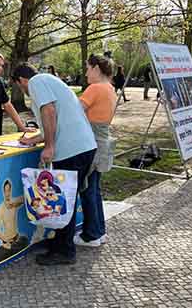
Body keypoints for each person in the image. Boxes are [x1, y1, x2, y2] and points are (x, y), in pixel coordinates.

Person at [12, 63, 96, 266]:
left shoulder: (36, 82)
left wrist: (48, 146)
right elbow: (53, 121)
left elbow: (49, 112)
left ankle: (65, 251)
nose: (23, 90)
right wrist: (35, 140)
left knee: (62, 200)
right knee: (65, 198)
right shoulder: (50, 81)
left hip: (72, 150)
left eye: (18, 86)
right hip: (83, 147)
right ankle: (60, 244)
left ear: (20, 80)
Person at [75, 54, 117, 248]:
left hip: (91, 143)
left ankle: (91, 234)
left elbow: (74, 111)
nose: (85, 73)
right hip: (103, 142)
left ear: (97, 69)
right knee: (95, 189)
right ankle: (99, 231)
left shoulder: (95, 88)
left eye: (87, 68)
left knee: (87, 189)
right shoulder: (110, 89)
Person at [0, 179, 28, 264]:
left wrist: (14, 202)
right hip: (8, 242)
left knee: (25, 240)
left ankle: (15, 252)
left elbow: (26, 198)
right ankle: (11, 252)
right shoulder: (1, 207)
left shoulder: (13, 203)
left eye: (9, 191)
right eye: (6, 191)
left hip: (17, 239)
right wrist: (6, 241)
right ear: (3, 192)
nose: (7, 194)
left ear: (11, 190)